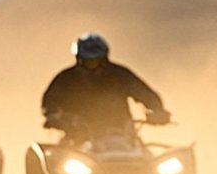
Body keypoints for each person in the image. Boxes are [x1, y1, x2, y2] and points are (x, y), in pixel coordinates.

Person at [41, 33, 170, 143]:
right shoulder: (66, 78)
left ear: (105, 59)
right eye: (88, 61)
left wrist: (157, 110)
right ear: (79, 60)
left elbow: (145, 93)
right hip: (76, 137)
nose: (93, 66)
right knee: (58, 164)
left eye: (98, 61)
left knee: (150, 161)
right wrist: (54, 117)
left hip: (124, 136)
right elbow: (50, 101)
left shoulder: (120, 74)